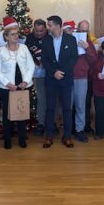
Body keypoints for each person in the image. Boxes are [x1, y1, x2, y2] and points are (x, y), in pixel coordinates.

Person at [0, 27, 35, 149]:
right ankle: (7, 139)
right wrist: (7, 83)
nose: (16, 36)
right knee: (7, 113)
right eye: (12, 34)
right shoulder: (1, 51)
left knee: (21, 112)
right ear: (6, 37)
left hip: (23, 86)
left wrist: (25, 81)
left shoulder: (24, 48)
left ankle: (22, 138)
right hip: (6, 88)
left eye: (17, 34)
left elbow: (31, 66)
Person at [40, 15, 78, 148]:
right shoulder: (46, 40)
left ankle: (67, 137)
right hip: (51, 80)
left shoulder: (71, 39)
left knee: (67, 108)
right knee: (50, 108)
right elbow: (44, 59)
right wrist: (54, 72)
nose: (48, 27)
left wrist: (62, 72)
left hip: (66, 79)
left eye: (50, 25)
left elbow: (73, 58)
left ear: (57, 25)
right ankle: (49, 136)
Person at [69, 20, 97, 143]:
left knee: (80, 106)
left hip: (81, 77)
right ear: (77, 29)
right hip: (68, 77)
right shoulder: (69, 40)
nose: (83, 33)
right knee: (68, 106)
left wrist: (87, 49)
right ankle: (68, 129)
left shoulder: (88, 42)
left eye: (86, 31)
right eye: (81, 30)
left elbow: (93, 60)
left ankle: (79, 130)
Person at [25, 19, 49, 136]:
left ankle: (52, 122)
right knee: (41, 99)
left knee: (53, 99)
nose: (39, 33)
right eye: (37, 31)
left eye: (41, 31)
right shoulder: (28, 38)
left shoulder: (50, 37)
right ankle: (41, 123)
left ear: (45, 29)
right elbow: (25, 55)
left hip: (51, 73)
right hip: (37, 74)